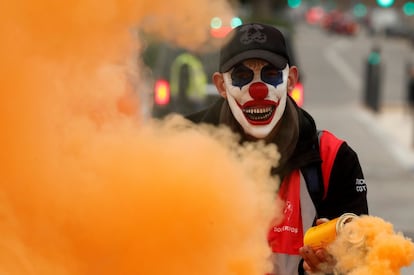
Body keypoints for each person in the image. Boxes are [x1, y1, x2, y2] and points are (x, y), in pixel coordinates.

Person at [186, 23, 368, 274]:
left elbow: (364, 259)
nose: (258, 90)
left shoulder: (333, 158)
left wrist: (335, 265)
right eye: (241, 76)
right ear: (221, 86)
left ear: (291, 80)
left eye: (271, 75)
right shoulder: (183, 146)